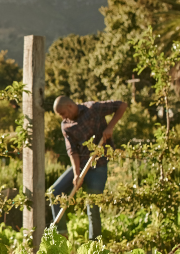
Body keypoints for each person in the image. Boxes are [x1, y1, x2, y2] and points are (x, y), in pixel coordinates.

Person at [50, 96, 128, 240]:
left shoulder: (93, 109)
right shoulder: (65, 126)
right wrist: (76, 174)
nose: (63, 117)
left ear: (70, 106)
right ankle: (61, 233)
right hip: (81, 165)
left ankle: (94, 245)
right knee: (55, 192)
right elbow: (72, 151)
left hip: (98, 164)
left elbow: (122, 105)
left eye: (63, 113)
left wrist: (110, 126)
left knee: (92, 206)